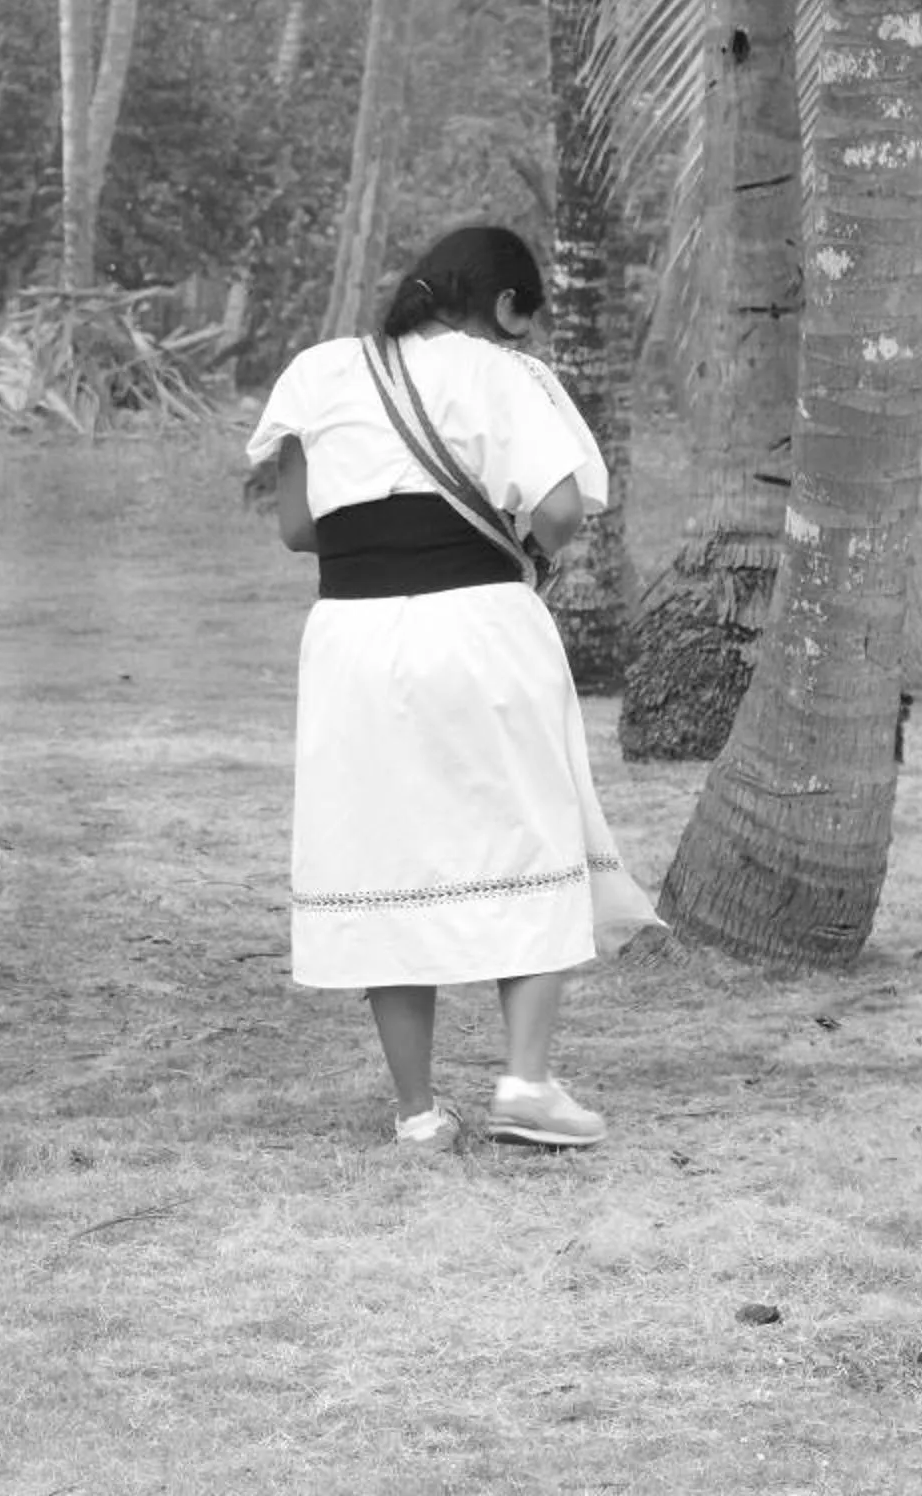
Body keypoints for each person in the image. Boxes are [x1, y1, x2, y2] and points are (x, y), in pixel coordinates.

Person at [245, 226, 660, 1154]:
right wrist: (520, 540)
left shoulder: (319, 372)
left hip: (353, 640)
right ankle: (525, 1081)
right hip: (478, 627)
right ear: (509, 307)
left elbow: (297, 527)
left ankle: (418, 1115)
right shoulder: (503, 375)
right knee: (527, 830)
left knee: (382, 856)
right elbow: (556, 513)